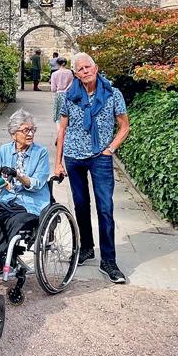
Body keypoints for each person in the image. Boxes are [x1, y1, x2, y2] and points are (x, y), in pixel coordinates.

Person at [53, 52, 130, 284]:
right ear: (75, 74)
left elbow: (124, 126)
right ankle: (86, 248)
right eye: (80, 69)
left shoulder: (112, 94)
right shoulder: (69, 96)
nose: (85, 71)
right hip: (73, 157)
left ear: (96, 68)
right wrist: (57, 162)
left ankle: (109, 261)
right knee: (80, 205)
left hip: (100, 157)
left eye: (88, 67)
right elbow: (62, 129)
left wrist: (111, 149)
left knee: (105, 208)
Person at [0, 109, 50, 256]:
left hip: (30, 203)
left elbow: (37, 183)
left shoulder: (41, 153)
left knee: (11, 222)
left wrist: (17, 175)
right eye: (25, 130)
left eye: (32, 130)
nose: (30, 134)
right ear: (13, 134)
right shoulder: (3, 150)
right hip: (6, 200)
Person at [50, 57, 73, 123]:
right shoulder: (70, 73)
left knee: (58, 117)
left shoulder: (54, 74)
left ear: (57, 64)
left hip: (59, 96)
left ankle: (60, 129)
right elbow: (72, 85)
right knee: (67, 116)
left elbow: (53, 89)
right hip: (68, 96)